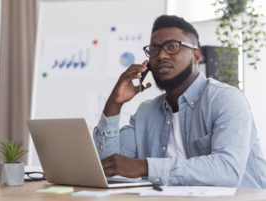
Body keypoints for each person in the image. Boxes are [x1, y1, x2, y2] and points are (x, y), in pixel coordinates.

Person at [93, 15, 266, 188]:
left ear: (196, 55)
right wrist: (114, 104)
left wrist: (146, 167)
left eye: (172, 47)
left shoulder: (226, 99)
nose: (161, 55)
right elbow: (110, 167)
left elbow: (227, 171)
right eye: (154, 49)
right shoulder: (146, 113)